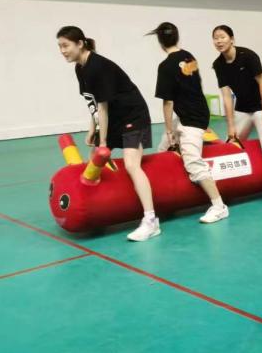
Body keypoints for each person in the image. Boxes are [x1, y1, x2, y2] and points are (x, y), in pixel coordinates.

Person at [56, 26, 159, 242]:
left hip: (132, 116)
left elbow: (103, 108)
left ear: (80, 44)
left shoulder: (98, 66)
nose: (62, 51)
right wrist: (92, 129)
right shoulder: (80, 68)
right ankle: (98, 210)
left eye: (66, 45)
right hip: (113, 117)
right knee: (94, 161)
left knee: (131, 164)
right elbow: (93, 103)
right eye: (60, 47)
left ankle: (151, 220)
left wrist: (103, 141)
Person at [150, 22, 228, 224]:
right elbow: (196, 83)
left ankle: (219, 206)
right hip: (196, 113)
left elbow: (168, 102)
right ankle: (165, 195)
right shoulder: (189, 57)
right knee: (163, 150)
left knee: (193, 161)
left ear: (160, 42)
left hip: (191, 119)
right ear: (177, 37)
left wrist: (169, 129)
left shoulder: (165, 66)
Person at [211, 25, 262, 207]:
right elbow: (226, 96)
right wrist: (231, 126)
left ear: (232, 39)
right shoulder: (218, 64)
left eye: (222, 37)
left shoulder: (248, 56)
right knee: (231, 145)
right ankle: (228, 187)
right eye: (215, 38)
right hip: (242, 107)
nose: (219, 41)